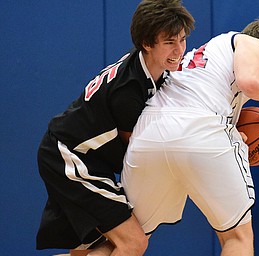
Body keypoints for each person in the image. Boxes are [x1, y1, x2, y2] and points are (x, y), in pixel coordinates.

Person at [121, 18, 259, 255]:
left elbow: (213, 105)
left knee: (128, 241)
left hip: (149, 134)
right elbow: (252, 82)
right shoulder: (250, 42)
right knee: (238, 238)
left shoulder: (207, 59)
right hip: (202, 130)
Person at [36, 0, 194, 255]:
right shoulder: (128, 90)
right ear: (147, 43)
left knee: (94, 248)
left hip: (85, 158)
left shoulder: (155, 72)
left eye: (182, 40)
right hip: (68, 155)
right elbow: (138, 151)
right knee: (133, 242)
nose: (179, 50)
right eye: (169, 43)